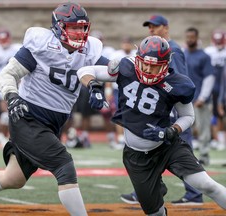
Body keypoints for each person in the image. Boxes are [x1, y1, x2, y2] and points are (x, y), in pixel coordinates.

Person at [0, 2, 112, 216]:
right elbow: (7, 75)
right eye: (73, 27)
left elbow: (110, 70)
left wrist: (102, 84)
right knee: (64, 164)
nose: (79, 33)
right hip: (28, 116)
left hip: (53, 122)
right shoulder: (42, 44)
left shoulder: (90, 49)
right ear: (59, 27)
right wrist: (12, 97)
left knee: (14, 178)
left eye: (82, 27)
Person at [77, 35, 226, 216]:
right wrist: (94, 86)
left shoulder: (176, 83)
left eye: (154, 66)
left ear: (165, 65)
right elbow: (85, 70)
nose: (147, 69)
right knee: (154, 213)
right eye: (145, 64)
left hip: (167, 147)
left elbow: (188, 116)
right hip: (136, 157)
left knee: (206, 184)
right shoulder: (125, 68)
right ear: (138, 59)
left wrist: (171, 131)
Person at [120, 14, 203, 205]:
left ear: (166, 27)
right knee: (151, 149)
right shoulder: (155, 50)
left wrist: (173, 111)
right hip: (158, 109)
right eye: (149, 27)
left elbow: (180, 82)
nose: (151, 30)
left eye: (155, 26)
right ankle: (149, 189)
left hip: (172, 113)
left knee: (180, 149)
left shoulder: (172, 50)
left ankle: (194, 193)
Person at [185, 27, 215, 166]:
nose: (190, 39)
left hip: (200, 100)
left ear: (197, 38)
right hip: (186, 99)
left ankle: (204, 155)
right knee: (186, 130)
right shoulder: (183, 54)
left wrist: (203, 97)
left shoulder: (204, 56)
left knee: (203, 130)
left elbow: (209, 78)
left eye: (192, 37)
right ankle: (187, 156)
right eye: (188, 37)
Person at [204, 29, 226, 151]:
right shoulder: (208, 52)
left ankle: (219, 139)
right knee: (213, 114)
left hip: (222, 87)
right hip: (212, 87)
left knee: (219, 115)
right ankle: (213, 139)